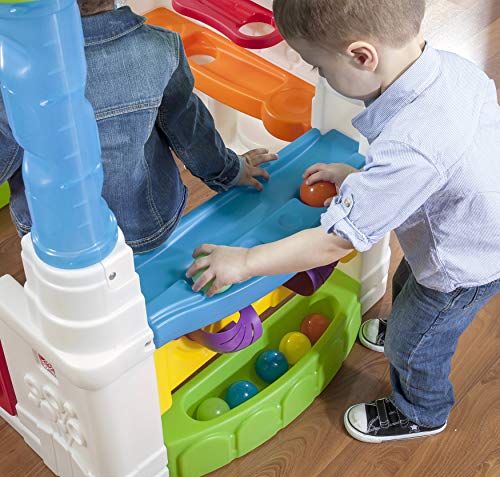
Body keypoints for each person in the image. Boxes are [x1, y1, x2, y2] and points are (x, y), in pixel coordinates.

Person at [187, 0, 500, 443]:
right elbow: (437, 168)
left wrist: (246, 262)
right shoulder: (450, 69)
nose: (319, 76)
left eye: (318, 66)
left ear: (361, 56)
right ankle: (408, 322)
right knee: (410, 279)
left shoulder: (416, 144)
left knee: (413, 344)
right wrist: (362, 179)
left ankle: (422, 411)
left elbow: (337, 242)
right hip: (461, 223)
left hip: (465, 264)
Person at [0, 0, 275, 253]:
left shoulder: (17, 71)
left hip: (53, 235)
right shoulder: (159, 48)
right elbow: (190, 132)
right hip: (143, 220)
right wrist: (229, 170)